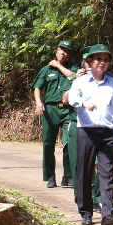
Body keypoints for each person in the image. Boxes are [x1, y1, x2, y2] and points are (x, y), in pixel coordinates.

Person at [68, 44, 113, 225]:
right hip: (86, 132)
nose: (102, 62)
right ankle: (86, 212)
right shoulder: (80, 82)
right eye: (98, 59)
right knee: (84, 173)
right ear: (90, 61)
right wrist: (83, 102)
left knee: (107, 174)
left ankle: (108, 215)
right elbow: (71, 98)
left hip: (108, 134)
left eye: (105, 60)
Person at [32, 40, 79, 188]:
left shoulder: (74, 68)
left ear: (69, 54)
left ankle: (68, 176)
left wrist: (58, 66)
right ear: (56, 52)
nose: (63, 53)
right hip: (50, 109)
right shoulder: (46, 70)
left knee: (69, 142)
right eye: (61, 50)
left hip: (68, 109)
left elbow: (74, 77)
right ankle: (50, 177)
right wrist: (38, 103)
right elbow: (37, 87)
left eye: (66, 51)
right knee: (48, 143)